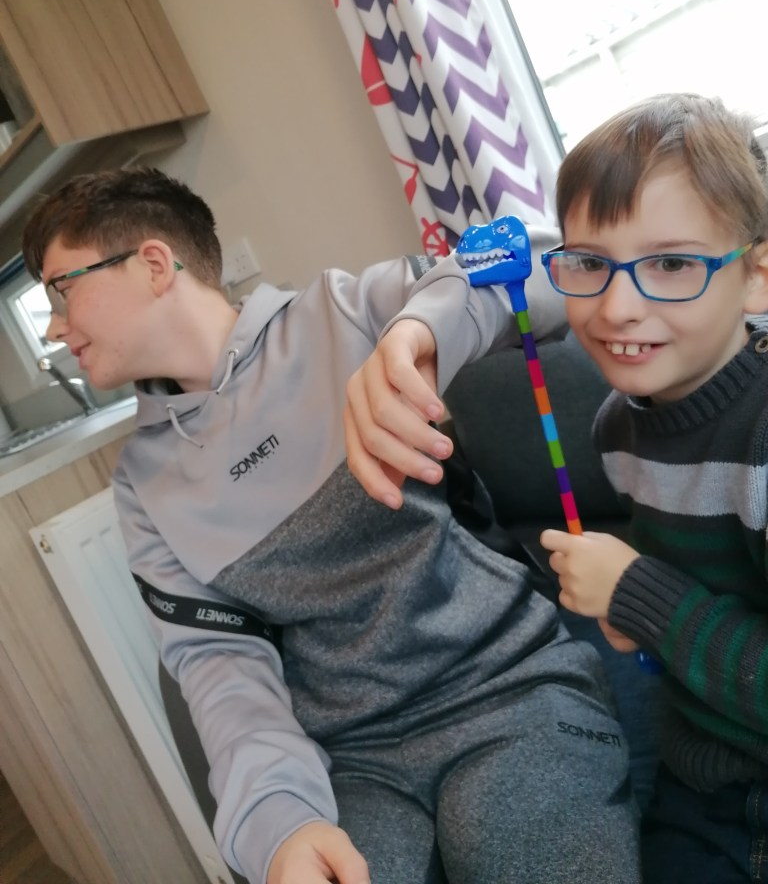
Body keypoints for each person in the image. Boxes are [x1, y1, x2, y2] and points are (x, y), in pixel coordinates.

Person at [22, 167, 640, 884]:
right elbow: (222, 671)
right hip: (354, 762)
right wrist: (280, 823)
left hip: (508, 689)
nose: (55, 328)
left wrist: (420, 330)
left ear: (154, 264)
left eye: (61, 290)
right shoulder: (142, 485)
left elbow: (564, 267)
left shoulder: (344, 312)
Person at [531, 92, 768, 883]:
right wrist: (643, 619)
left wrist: (642, 596)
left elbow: (663, 597)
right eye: (590, 263)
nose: (618, 306)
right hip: (703, 778)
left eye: (671, 263)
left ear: (756, 278)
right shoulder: (617, 429)